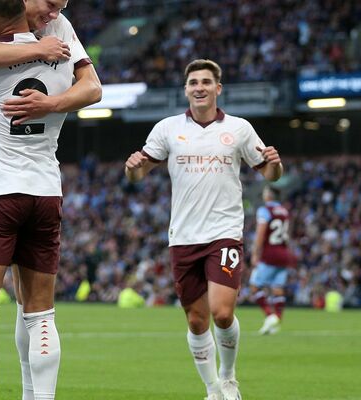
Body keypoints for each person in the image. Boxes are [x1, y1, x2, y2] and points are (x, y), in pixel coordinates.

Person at [0, 1, 101, 398]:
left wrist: (49, 101)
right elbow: (90, 87)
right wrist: (40, 51)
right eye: (50, 4)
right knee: (38, 313)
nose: (55, 14)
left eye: (62, 7)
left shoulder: (48, 28)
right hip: (39, 187)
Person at [124, 59, 283, 400]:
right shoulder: (167, 128)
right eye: (193, 82)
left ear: (217, 88)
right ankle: (212, 390)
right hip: (183, 236)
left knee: (222, 313)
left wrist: (275, 164)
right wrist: (133, 168)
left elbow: (270, 174)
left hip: (224, 232)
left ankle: (228, 377)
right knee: (197, 321)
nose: (199, 87)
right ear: (186, 90)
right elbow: (138, 174)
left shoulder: (239, 128)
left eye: (206, 82)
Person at [249, 185, 295, 335]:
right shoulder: (284, 211)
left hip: (269, 254)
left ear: (268, 195)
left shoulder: (264, 210)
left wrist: (255, 253)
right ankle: (277, 321)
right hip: (283, 253)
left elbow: (260, 233)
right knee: (277, 288)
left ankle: (270, 316)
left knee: (254, 286)